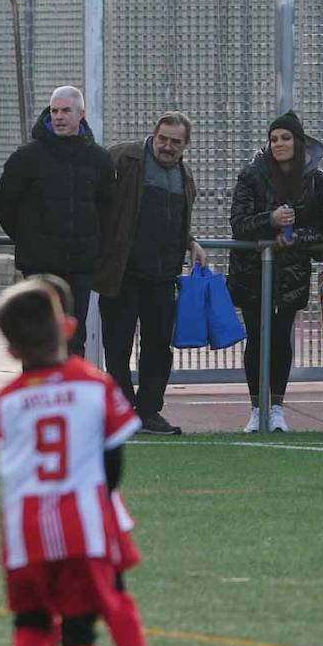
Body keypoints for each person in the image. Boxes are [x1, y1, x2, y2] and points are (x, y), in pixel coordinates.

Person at [0, 278, 147, 646]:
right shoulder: (95, 385)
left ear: (11, 350)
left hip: (25, 528)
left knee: (31, 622)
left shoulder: (8, 400)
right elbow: (113, 462)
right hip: (83, 522)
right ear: (68, 327)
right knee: (88, 619)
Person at [94, 111, 207, 436]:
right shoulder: (121, 158)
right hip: (122, 273)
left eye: (175, 142)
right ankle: (123, 410)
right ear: (153, 135)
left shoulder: (185, 178)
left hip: (162, 276)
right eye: (163, 139)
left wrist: (190, 242)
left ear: (186, 145)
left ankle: (149, 412)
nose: (167, 147)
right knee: (118, 347)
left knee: (159, 347)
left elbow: (172, 221)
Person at [228, 110, 323, 433]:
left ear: (298, 141)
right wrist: (270, 221)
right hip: (251, 273)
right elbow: (238, 224)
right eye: (274, 138)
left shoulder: (316, 180)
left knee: (281, 337)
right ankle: (255, 407)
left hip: (292, 273)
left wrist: (294, 237)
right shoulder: (251, 174)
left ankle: (277, 407)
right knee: (257, 337)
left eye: (286, 137)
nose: (279, 144)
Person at [0, 86, 115, 353]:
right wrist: (29, 240)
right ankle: (36, 392)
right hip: (39, 264)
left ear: (81, 114)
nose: (59, 117)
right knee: (36, 335)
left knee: (74, 337)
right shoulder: (26, 158)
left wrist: (94, 247)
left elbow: (108, 211)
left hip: (80, 265)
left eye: (66, 111)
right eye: (54, 111)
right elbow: (5, 205)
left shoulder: (99, 160)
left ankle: (71, 393)